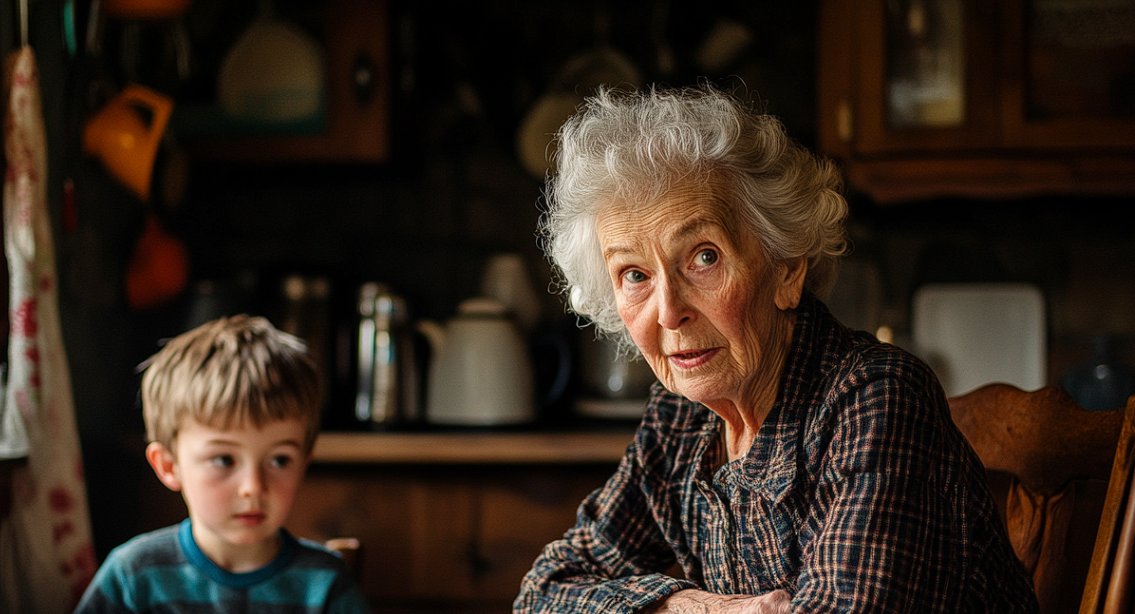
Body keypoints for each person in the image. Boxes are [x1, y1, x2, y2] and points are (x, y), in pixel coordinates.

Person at [514, 84, 1038, 614]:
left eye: (704, 258)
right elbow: (543, 592)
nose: (669, 311)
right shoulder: (679, 421)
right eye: (634, 274)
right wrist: (692, 608)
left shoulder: (877, 401)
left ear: (787, 267)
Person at [74, 315, 370, 613]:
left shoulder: (327, 584)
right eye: (224, 460)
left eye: (279, 460)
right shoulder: (134, 577)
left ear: (304, 464)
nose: (253, 488)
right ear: (168, 465)